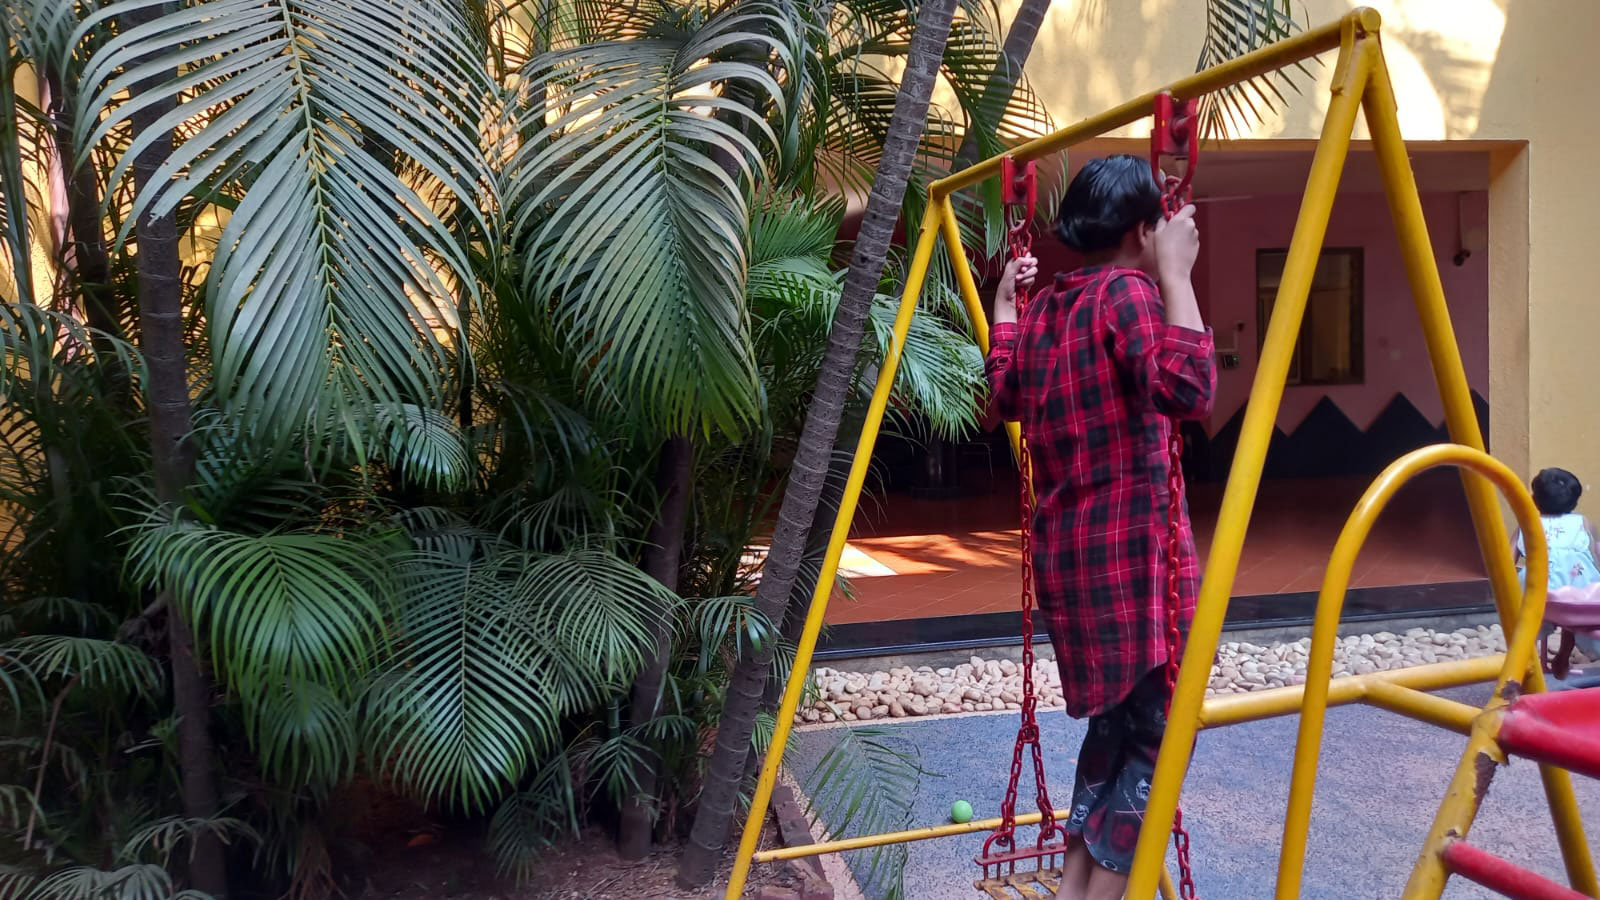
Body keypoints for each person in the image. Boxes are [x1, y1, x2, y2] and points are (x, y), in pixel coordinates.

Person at [985, 154, 1215, 900]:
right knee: (1157, 735)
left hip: (1074, 572)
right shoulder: (1130, 292)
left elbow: (1003, 390)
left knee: (1114, 729)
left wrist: (1005, 304)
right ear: (1145, 229)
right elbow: (1188, 386)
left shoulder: (1051, 305)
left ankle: (1080, 887)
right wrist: (1177, 276)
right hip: (1134, 570)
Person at [1514, 467, 1600, 665]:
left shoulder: (1527, 524)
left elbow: (1507, 558)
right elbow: (1595, 557)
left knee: (1528, 609)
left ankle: (1529, 658)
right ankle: (1563, 652)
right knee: (1577, 586)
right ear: (1575, 501)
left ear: (1534, 499)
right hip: (1574, 599)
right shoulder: (1584, 523)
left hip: (1539, 595)